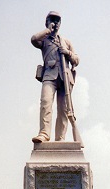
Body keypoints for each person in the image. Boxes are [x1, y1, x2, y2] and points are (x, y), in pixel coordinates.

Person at [31, 11, 79, 143]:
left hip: (64, 78)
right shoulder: (44, 41)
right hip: (49, 75)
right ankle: (44, 134)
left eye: (58, 20)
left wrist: (67, 52)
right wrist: (47, 30)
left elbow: (76, 59)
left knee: (64, 109)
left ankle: (60, 138)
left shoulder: (66, 42)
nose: (56, 23)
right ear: (47, 22)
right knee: (46, 103)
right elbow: (34, 39)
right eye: (52, 20)